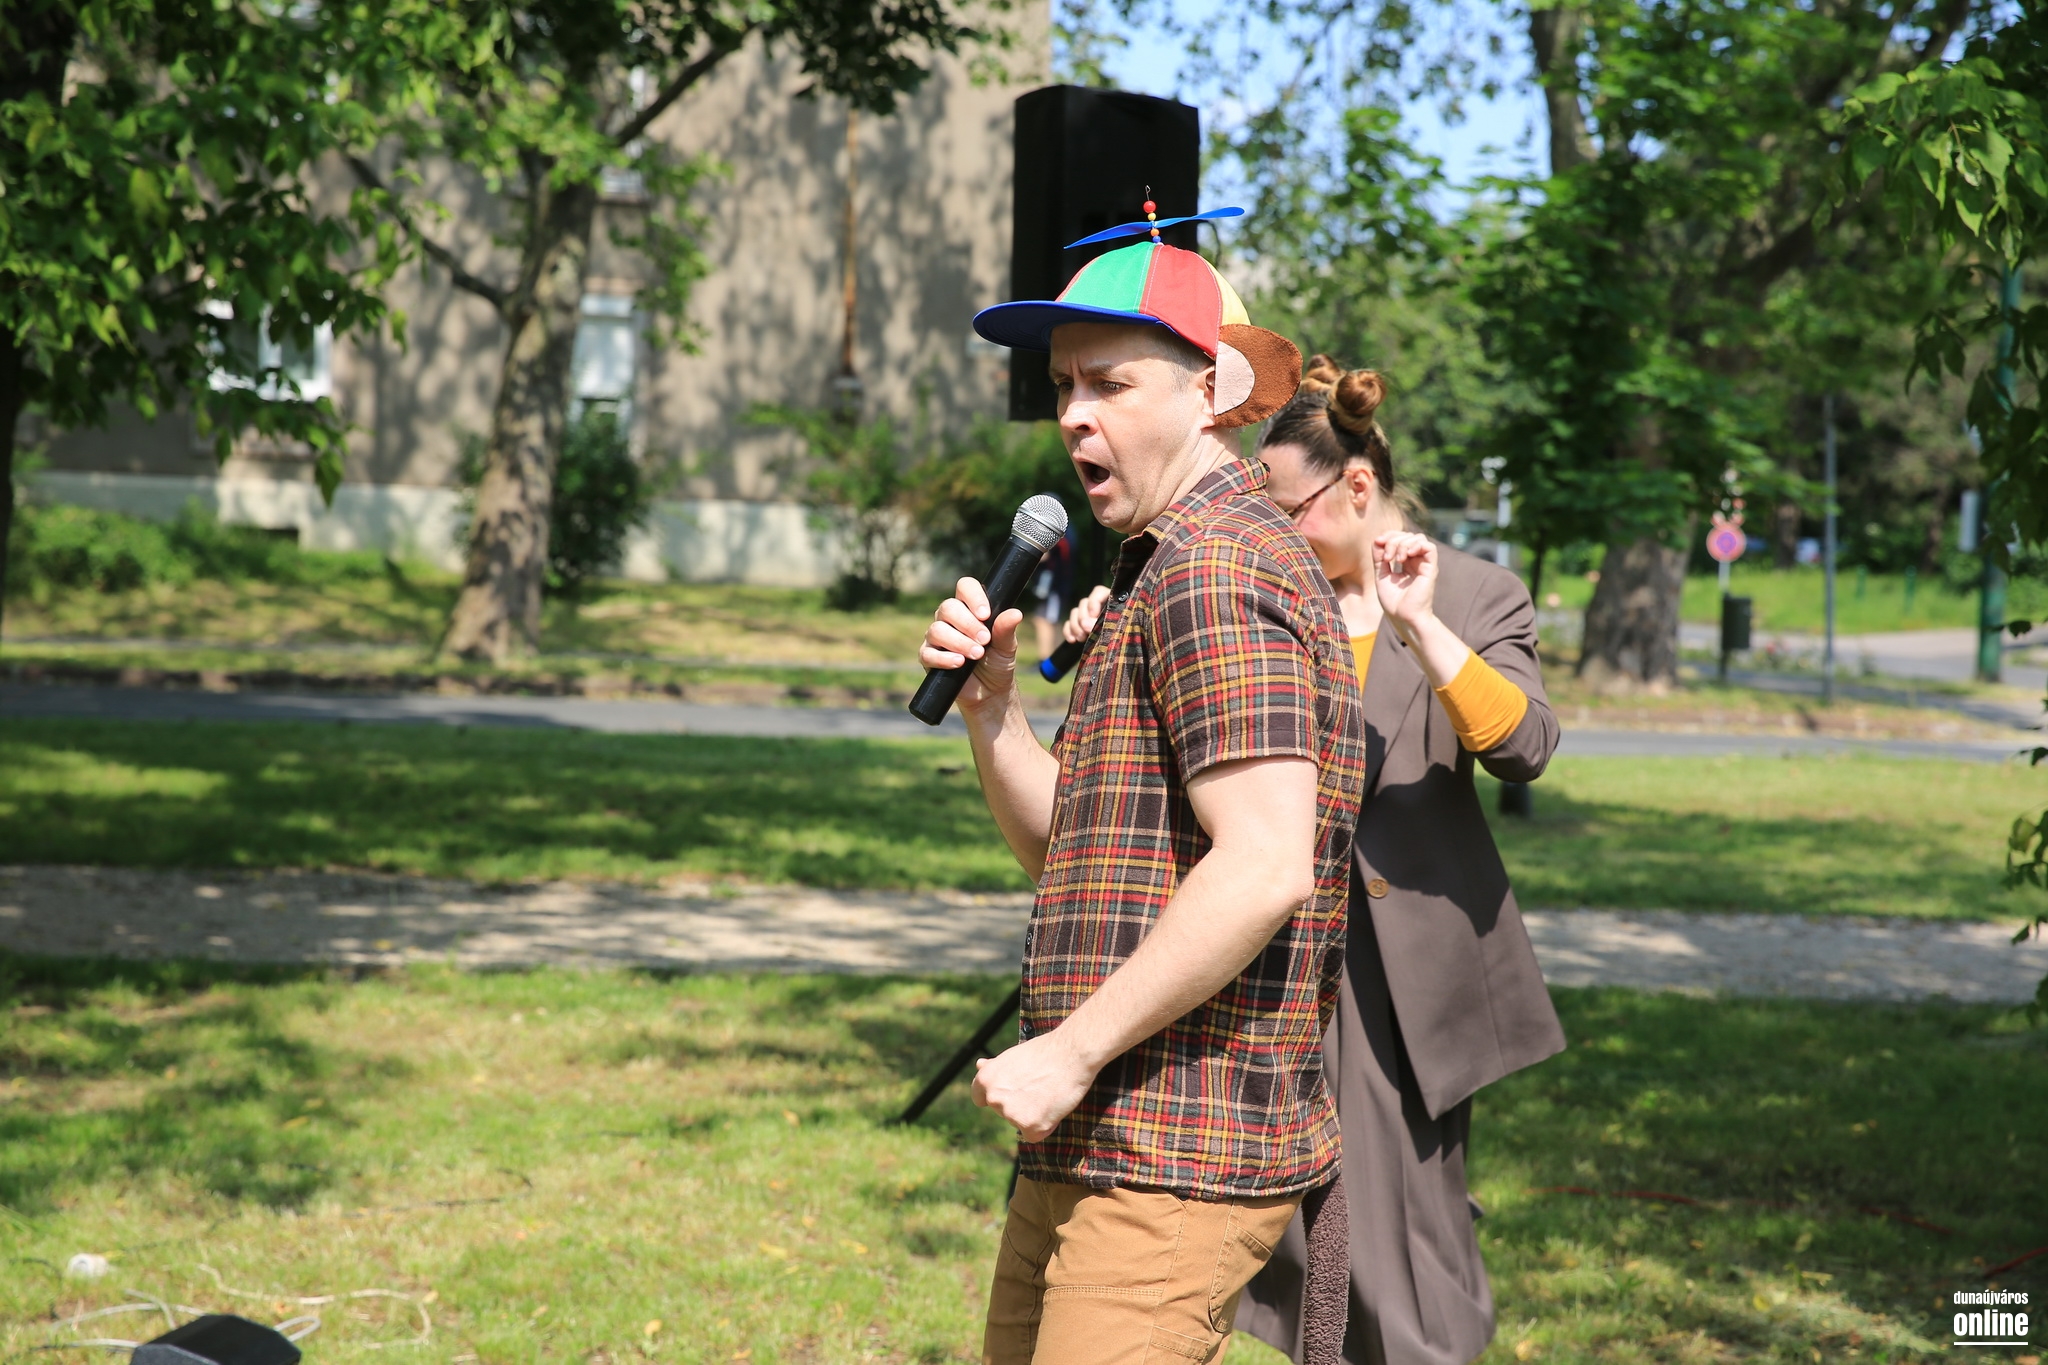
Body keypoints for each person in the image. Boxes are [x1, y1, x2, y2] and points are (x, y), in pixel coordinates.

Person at [921, 215, 1366, 1365]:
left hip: (1171, 1149)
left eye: (1109, 383)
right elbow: (1074, 856)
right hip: (1097, 1135)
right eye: (1063, 384)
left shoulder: (1216, 573)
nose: (1074, 413)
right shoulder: (1158, 568)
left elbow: (1264, 864)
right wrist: (991, 710)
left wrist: (1067, 1051)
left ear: (1209, 391)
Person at [1236, 357, 1566, 1365]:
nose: (1272, 532)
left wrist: (1418, 624)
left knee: (1409, 1234)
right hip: (1277, 954)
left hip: (1406, 975)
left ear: (1356, 487)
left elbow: (1525, 746)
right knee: (1297, 1226)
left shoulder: (1474, 591)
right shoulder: (1270, 593)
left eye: (1285, 510)